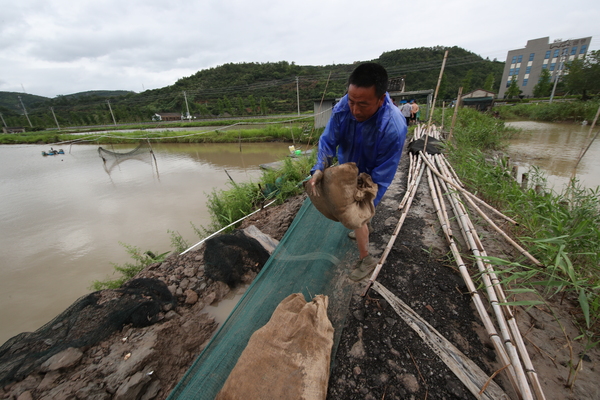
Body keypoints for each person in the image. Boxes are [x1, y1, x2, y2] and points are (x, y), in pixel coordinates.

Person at [307, 62, 407, 281]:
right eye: (351, 101)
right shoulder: (344, 107)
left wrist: (367, 204)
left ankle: (366, 259)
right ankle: (361, 227)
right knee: (349, 212)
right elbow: (327, 141)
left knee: (359, 216)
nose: (355, 110)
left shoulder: (394, 127)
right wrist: (319, 168)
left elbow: (383, 175)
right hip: (348, 168)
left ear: (381, 99)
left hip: (371, 174)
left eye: (363, 105)